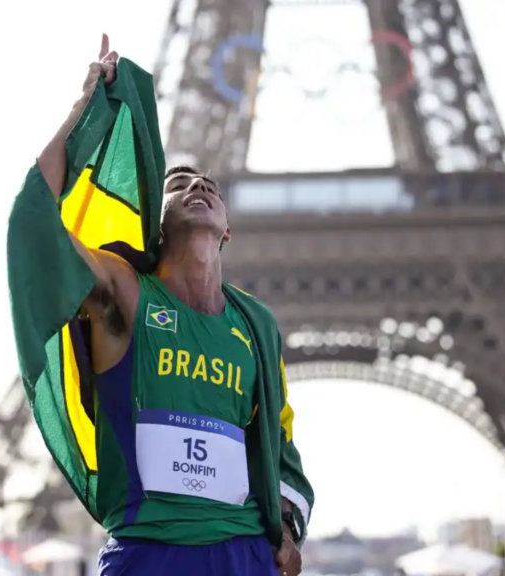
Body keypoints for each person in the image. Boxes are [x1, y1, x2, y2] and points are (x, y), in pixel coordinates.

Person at [25, 35, 312, 575]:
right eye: (180, 184)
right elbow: (42, 224)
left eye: (210, 187)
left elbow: (279, 438)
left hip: (242, 550)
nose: (199, 187)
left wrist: (288, 529)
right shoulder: (125, 294)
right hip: (149, 551)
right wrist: (83, 112)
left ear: (228, 232)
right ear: (157, 222)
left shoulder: (256, 325)